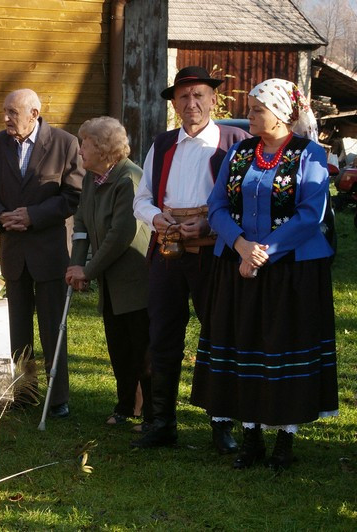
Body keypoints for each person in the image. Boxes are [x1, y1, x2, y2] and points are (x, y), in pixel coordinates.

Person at [191, 79, 338, 470]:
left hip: (292, 272)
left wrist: (262, 253)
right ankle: (251, 437)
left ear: (280, 114)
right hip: (236, 265)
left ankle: (285, 441)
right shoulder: (239, 152)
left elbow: (310, 214)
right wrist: (241, 245)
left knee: (284, 346)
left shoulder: (309, 154)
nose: (250, 115)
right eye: (251, 109)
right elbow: (217, 206)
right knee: (245, 344)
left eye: (258, 109)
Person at [131, 66, 250, 452]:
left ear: (213, 99)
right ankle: (162, 423)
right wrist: (156, 217)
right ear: (175, 104)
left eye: (198, 95)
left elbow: (246, 201)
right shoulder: (163, 144)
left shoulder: (234, 141)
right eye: (183, 96)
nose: (191, 102)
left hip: (215, 254)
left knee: (219, 335)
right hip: (167, 252)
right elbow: (142, 198)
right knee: (162, 336)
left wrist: (208, 223)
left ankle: (221, 425)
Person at [0, 88, 83, 418]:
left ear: (34, 114)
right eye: (5, 111)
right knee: (17, 329)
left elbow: (73, 195)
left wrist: (33, 216)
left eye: (12, 112)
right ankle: (23, 393)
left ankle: (57, 398)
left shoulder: (65, 143)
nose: (6, 118)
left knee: (53, 327)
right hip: (13, 249)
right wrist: (1, 216)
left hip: (49, 251)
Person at [65, 117, 152, 430]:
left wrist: (88, 270)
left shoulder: (129, 179)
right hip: (110, 280)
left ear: (102, 149)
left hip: (135, 279)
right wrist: (76, 266)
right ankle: (126, 406)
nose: (80, 151)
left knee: (141, 349)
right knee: (119, 347)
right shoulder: (93, 178)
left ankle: (151, 412)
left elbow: (120, 235)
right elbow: (81, 223)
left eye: (85, 144)